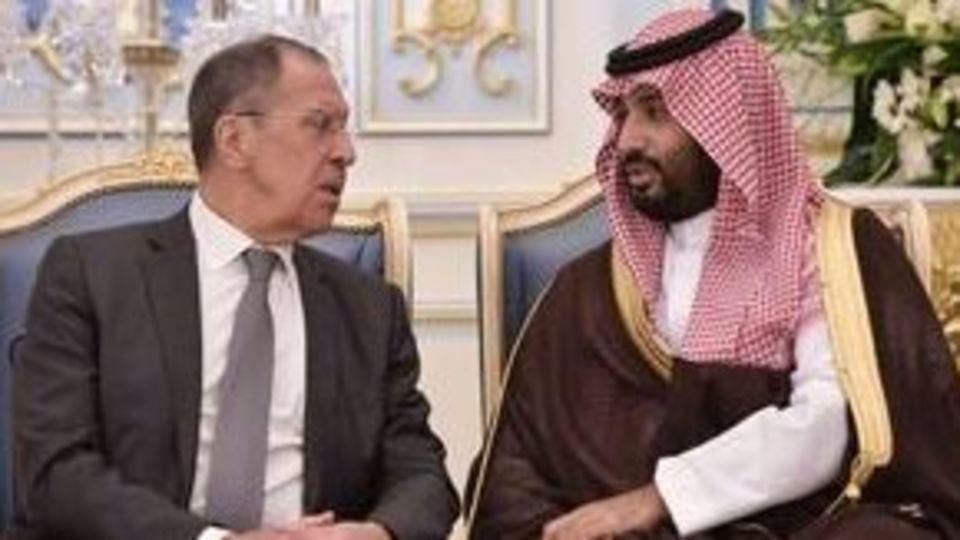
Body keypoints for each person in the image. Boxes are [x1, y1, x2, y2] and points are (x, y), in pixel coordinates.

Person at [467, 9, 960, 539]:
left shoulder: (830, 249)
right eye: (623, 114)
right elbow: (516, 468)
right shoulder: (585, 290)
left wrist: (660, 499)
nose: (627, 140)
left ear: (729, 124)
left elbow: (827, 422)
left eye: (655, 113)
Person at [13, 35, 458, 540]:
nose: (346, 153)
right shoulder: (92, 274)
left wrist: (376, 534)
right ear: (234, 140)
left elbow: (422, 474)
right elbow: (57, 473)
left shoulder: (368, 307)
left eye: (345, 129)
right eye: (320, 125)